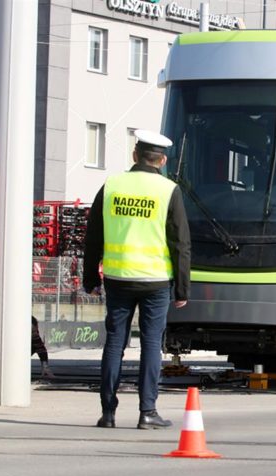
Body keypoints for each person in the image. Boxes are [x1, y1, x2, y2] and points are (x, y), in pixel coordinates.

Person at [83, 129, 191, 430]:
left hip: (117, 278)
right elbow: (181, 243)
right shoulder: (169, 190)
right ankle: (147, 412)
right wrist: (183, 288)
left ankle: (108, 413)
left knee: (114, 343)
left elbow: (93, 236)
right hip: (155, 281)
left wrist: (90, 278)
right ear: (162, 160)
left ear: (135, 155)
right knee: (151, 344)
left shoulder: (111, 185)